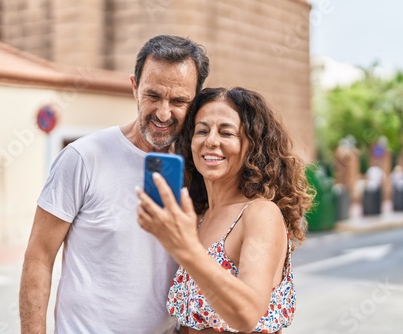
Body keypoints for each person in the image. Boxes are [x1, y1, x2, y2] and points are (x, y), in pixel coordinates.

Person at [19, 34, 209, 334]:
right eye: (153, 95)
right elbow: (39, 255)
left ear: (196, 100)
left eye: (178, 101)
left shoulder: (201, 169)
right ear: (134, 88)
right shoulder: (82, 158)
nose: (163, 113)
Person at [136, 87, 313, 333]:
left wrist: (186, 249)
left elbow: (247, 315)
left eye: (226, 132)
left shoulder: (260, 214)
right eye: (202, 131)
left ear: (252, 146)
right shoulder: (200, 217)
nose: (211, 141)